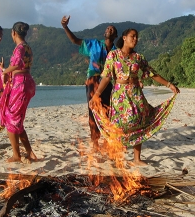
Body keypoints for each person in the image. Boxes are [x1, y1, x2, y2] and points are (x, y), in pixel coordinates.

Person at [89, 28, 180, 166]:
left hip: (136, 93)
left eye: (136, 37)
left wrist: (169, 84)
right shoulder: (113, 55)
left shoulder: (139, 57)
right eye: (132, 36)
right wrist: (96, 95)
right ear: (124, 38)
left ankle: (137, 158)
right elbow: (107, 77)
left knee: (140, 123)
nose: (135, 39)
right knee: (118, 125)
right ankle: (115, 155)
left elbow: (151, 73)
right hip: (120, 95)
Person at [61, 15, 118, 150]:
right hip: (93, 80)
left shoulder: (116, 52)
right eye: (107, 28)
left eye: (112, 29)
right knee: (93, 109)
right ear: (104, 34)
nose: (109, 29)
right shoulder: (94, 44)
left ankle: (108, 139)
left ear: (115, 35)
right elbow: (75, 40)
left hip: (107, 82)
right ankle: (95, 142)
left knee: (108, 110)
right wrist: (65, 26)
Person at [0, 21, 38, 163]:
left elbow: (16, 64)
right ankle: (30, 152)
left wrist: (4, 70)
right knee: (17, 120)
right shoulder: (27, 47)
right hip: (26, 82)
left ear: (13, 33)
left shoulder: (20, 48)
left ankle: (16, 155)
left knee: (11, 118)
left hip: (20, 84)